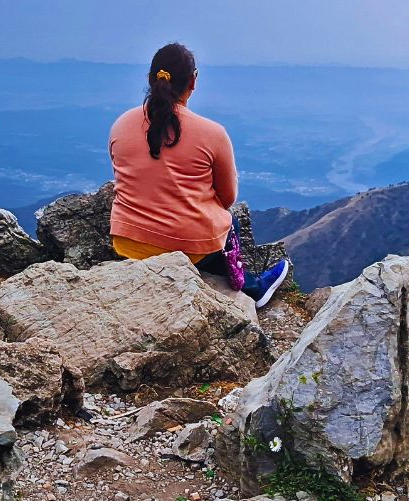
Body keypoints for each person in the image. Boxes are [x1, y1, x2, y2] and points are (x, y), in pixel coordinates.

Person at [108, 42, 289, 307]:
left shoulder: (121, 124)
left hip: (128, 243)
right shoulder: (212, 134)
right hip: (189, 248)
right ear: (193, 81)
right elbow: (227, 198)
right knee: (230, 223)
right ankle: (252, 287)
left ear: (150, 78)